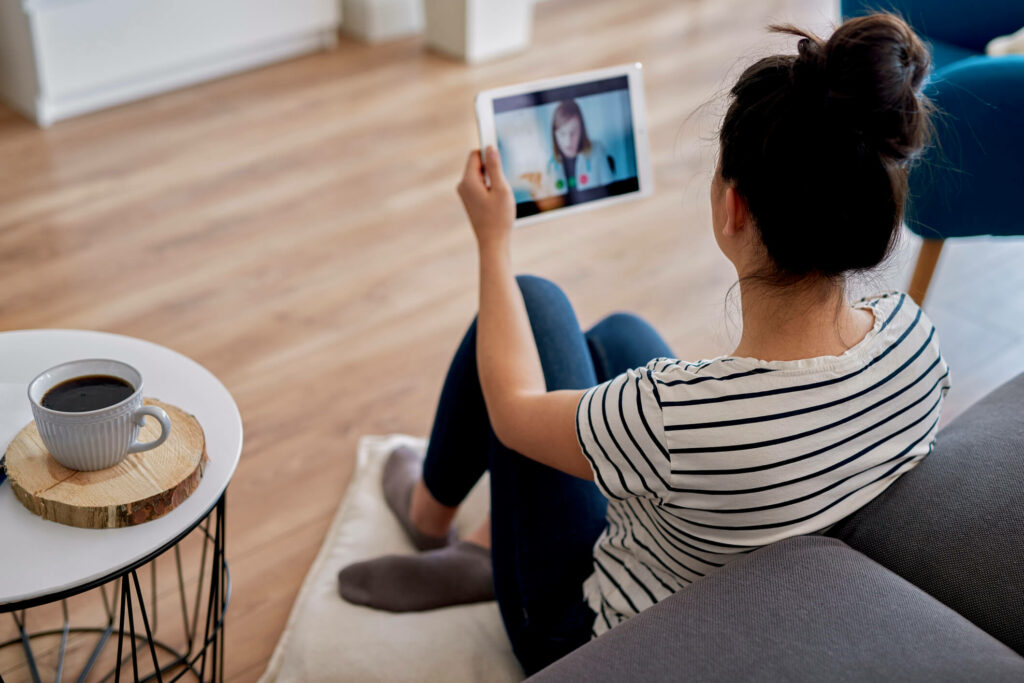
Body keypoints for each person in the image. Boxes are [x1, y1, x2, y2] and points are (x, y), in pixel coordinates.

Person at [338, 13, 950, 676]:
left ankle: (434, 520)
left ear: (732, 207)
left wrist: (493, 242)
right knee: (621, 334)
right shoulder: (916, 343)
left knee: (533, 299)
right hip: (734, 583)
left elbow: (514, 412)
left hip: (595, 634)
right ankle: (481, 539)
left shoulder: (679, 418)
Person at [518, 99, 614, 209]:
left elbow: (610, 195)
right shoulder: (546, 163)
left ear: (581, 130)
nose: (568, 142)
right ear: (554, 134)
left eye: (573, 132)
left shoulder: (597, 150)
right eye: (562, 134)